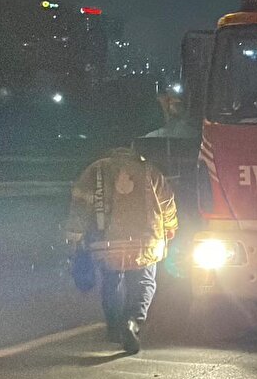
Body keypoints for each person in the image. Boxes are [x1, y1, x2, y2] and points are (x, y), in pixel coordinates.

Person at [65, 148, 178, 353]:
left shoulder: (96, 170)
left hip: (106, 241)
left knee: (112, 280)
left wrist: (74, 235)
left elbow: (80, 204)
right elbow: (167, 202)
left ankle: (115, 328)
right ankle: (132, 321)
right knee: (144, 282)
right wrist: (170, 228)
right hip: (144, 242)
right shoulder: (149, 171)